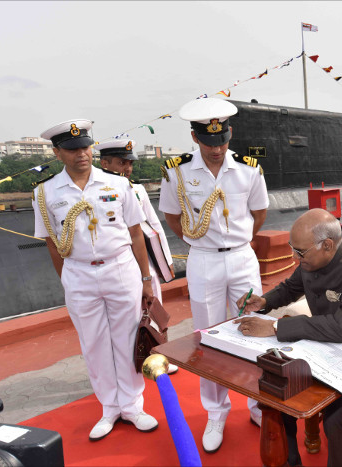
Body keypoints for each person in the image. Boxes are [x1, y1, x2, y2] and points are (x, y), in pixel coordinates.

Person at [234, 208, 342, 467]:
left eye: (299, 252)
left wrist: (276, 328)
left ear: (327, 245)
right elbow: (291, 287)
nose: (294, 256)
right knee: (277, 392)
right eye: (293, 249)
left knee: (337, 417)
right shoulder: (310, 259)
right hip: (325, 347)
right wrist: (264, 301)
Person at [33, 120, 159, 440]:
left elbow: (135, 233)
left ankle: (132, 406)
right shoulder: (46, 192)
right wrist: (68, 281)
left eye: (86, 147)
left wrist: (146, 278)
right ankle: (109, 407)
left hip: (120, 267)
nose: (82, 154)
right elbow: (51, 241)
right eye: (73, 149)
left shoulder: (117, 184)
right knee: (94, 343)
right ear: (57, 152)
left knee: (128, 338)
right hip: (79, 272)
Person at [158, 97, 269, 452]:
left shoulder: (249, 168)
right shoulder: (177, 172)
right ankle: (216, 412)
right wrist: (199, 240)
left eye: (222, 140)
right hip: (204, 258)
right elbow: (173, 217)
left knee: (253, 329)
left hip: (240, 257)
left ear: (230, 134)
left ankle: (257, 401)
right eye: (209, 142)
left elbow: (259, 213)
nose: (217, 148)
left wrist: (239, 244)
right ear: (195, 138)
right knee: (207, 335)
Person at [96, 139, 179, 375]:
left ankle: (160, 357)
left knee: (154, 311)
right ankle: (120, 365)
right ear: (104, 162)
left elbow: (154, 226)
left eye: (130, 163)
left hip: (146, 263)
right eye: (122, 162)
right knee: (122, 319)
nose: (128, 167)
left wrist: (166, 261)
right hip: (120, 262)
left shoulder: (138, 189)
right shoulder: (96, 192)